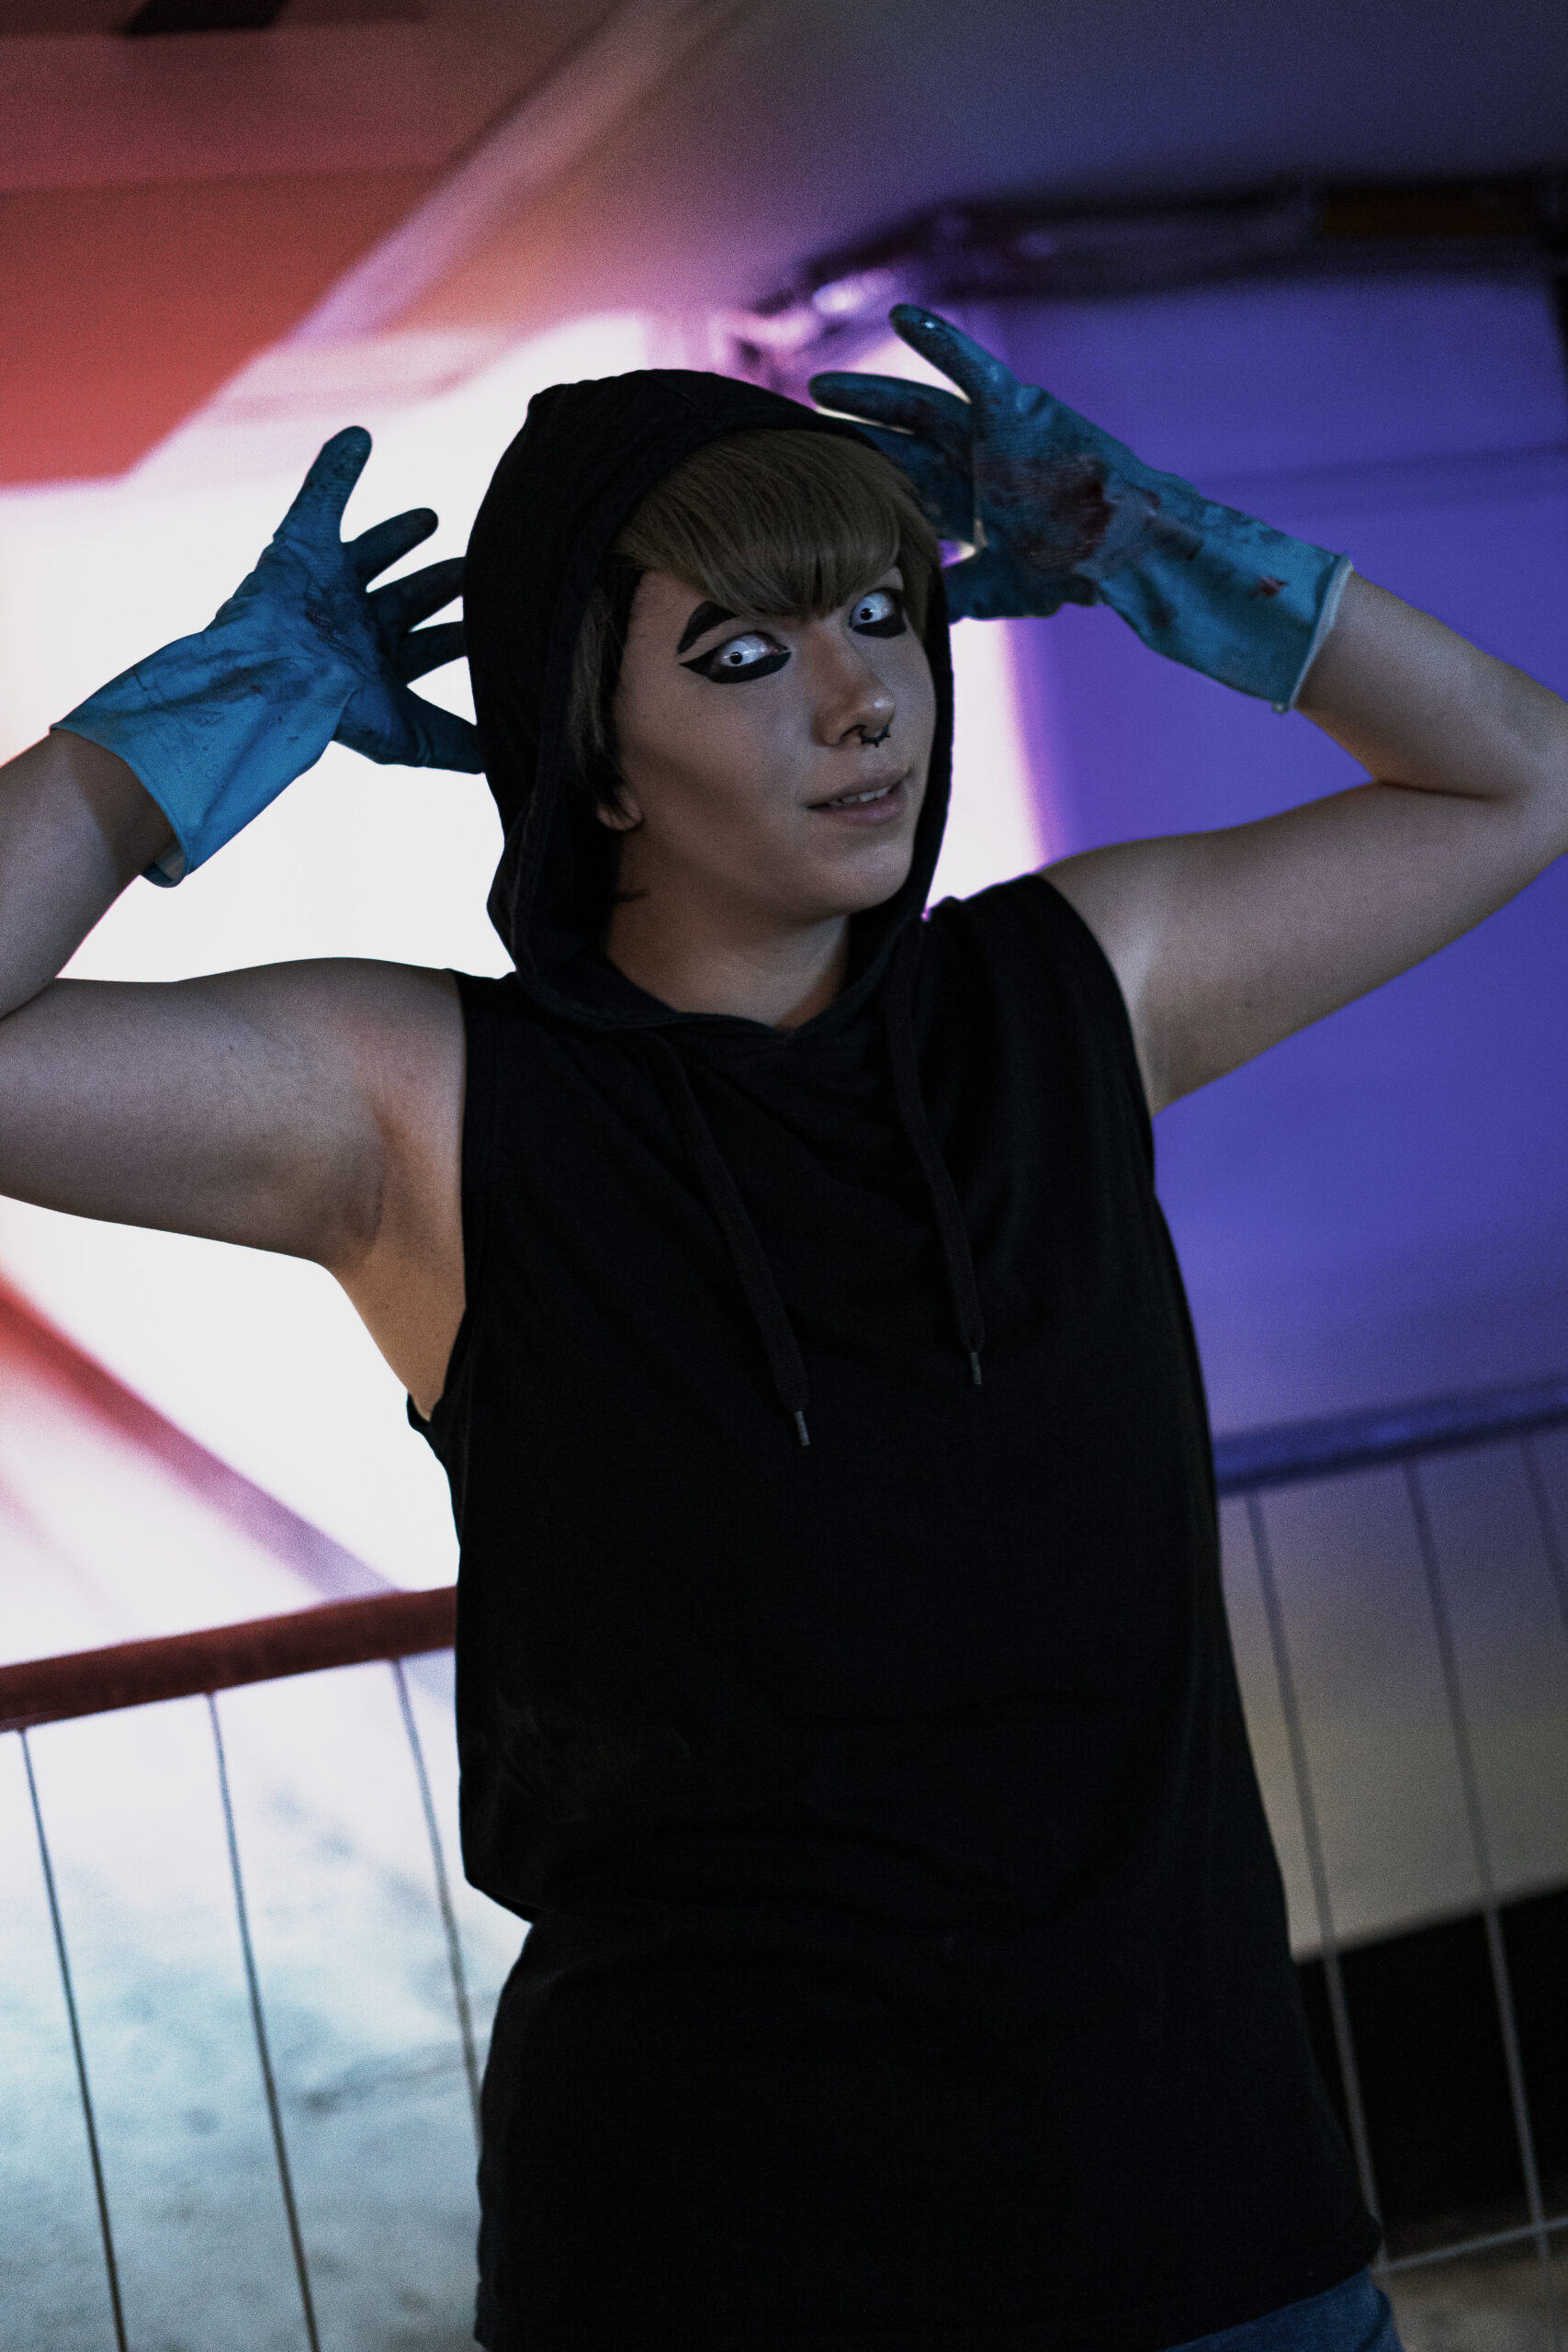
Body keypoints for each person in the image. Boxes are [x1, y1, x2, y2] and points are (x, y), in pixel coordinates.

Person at [5, 307, 1566, 2352]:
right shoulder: (428, 1108)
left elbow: (1518, 775)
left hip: (1211, 2231)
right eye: (741, 653)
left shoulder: (1073, 993)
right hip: (723, 2263)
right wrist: (187, 729)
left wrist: (1159, 548)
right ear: (593, 755)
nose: (859, 700)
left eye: (882, 614)